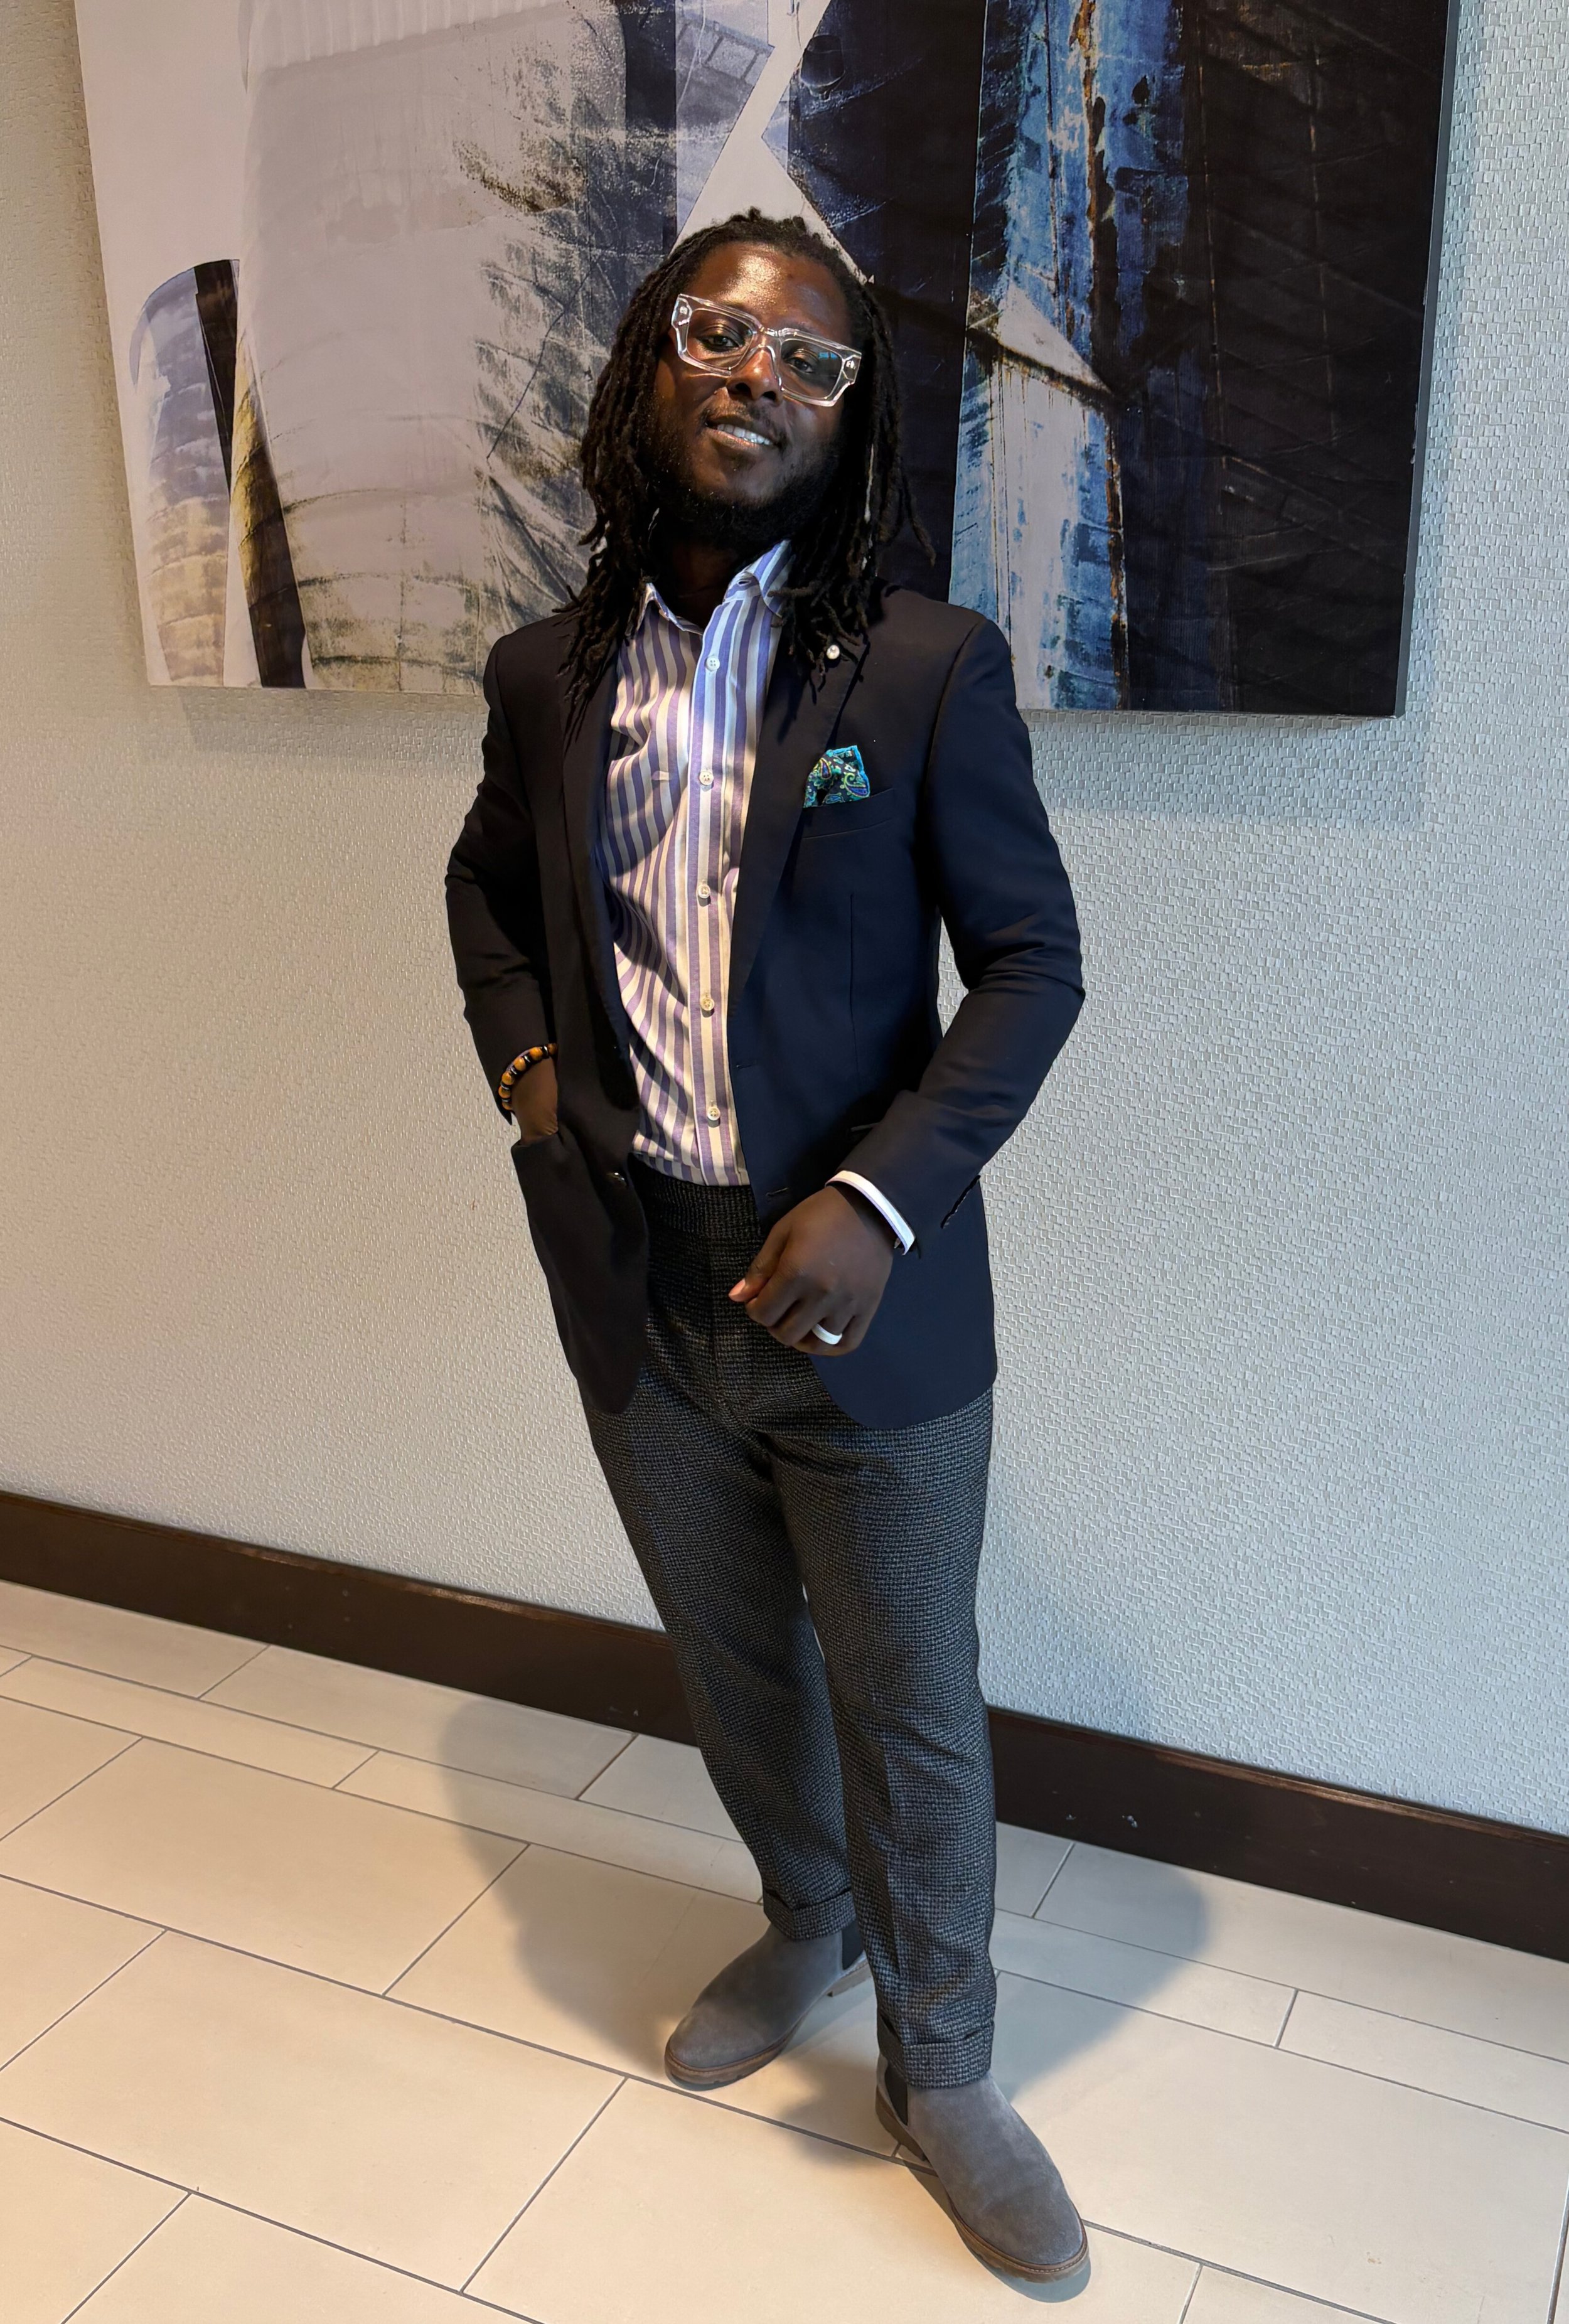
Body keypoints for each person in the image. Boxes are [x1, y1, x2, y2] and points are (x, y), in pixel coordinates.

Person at [446, 208, 1086, 2282]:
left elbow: (1027, 966)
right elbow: (481, 897)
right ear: (652, 362)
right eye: (718, 337)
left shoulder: (918, 666)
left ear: (846, 418)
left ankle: (948, 2064)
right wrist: (533, 1075)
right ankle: (798, 1922)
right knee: (735, 1671)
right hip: (637, 1282)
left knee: (910, 1696)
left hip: (858, 1296)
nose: (756, 377)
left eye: (807, 362)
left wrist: (882, 1197)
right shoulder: (544, 672)